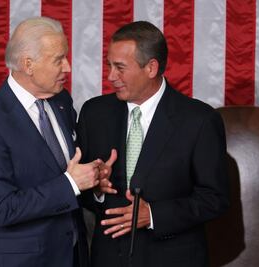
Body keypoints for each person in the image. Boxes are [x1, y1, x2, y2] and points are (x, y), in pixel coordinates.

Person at [76, 21, 230, 267]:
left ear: (151, 67)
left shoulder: (199, 120)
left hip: (173, 258)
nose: (110, 76)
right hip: (108, 258)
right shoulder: (94, 113)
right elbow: (80, 193)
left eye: (120, 67)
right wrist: (95, 188)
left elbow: (215, 199)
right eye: (109, 65)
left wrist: (154, 216)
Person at [0, 17, 101, 267]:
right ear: (28, 64)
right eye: (58, 59)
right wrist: (71, 183)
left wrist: (93, 181)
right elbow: (2, 208)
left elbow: (69, 173)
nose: (68, 67)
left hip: (73, 255)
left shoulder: (61, 102)